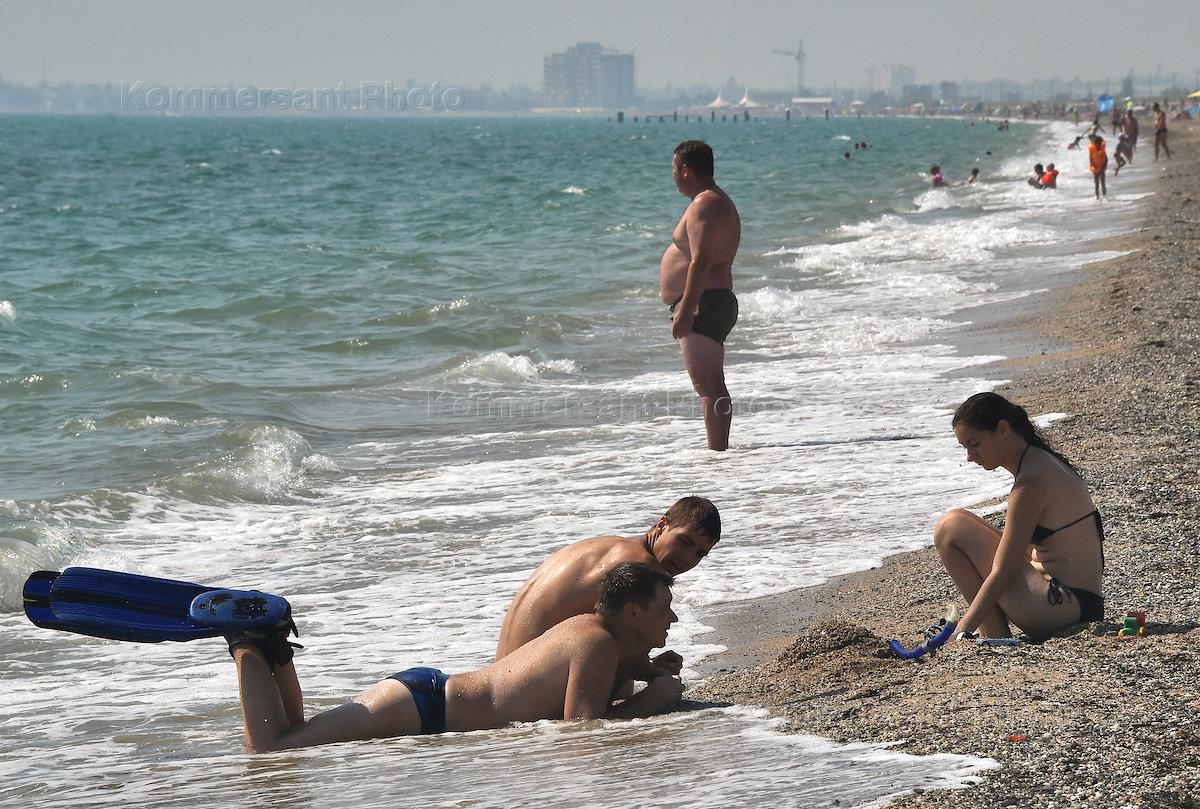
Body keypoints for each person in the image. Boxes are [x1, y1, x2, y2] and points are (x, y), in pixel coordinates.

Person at [230, 562, 685, 752]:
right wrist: (651, 701)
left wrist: (648, 671)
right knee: (270, 749)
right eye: (664, 608)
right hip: (424, 708)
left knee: (291, 737)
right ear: (632, 611)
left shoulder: (592, 631)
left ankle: (274, 646)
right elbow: (579, 732)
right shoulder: (597, 643)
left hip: (426, 698)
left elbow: (581, 683)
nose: (673, 617)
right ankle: (246, 642)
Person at [933, 393, 1105, 640]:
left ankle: (992, 633)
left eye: (975, 444)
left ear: (1003, 429)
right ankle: (989, 631)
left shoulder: (1031, 482)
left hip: (1062, 606)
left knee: (950, 527)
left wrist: (962, 630)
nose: (970, 457)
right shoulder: (1041, 461)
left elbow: (1003, 570)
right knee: (960, 517)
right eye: (965, 447)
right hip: (1080, 603)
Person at [496, 496, 720, 677]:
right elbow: (625, 655)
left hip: (502, 677)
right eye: (684, 541)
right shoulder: (639, 567)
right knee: (654, 689)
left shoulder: (610, 546)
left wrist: (646, 665)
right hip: (526, 687)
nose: (687, 558)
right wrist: (654, 673)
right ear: (662, 525)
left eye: (700, 553)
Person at [660, 141, 741, 451]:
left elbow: (701, 260)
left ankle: (717, 454)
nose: (672, 175)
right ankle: (719, 451)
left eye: (673, 169)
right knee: (711, 383)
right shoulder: (714, 201)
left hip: (704, 302)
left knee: (708, 386)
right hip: (710, 299)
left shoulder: (705, 204)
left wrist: (686, 310)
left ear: (685, 170)